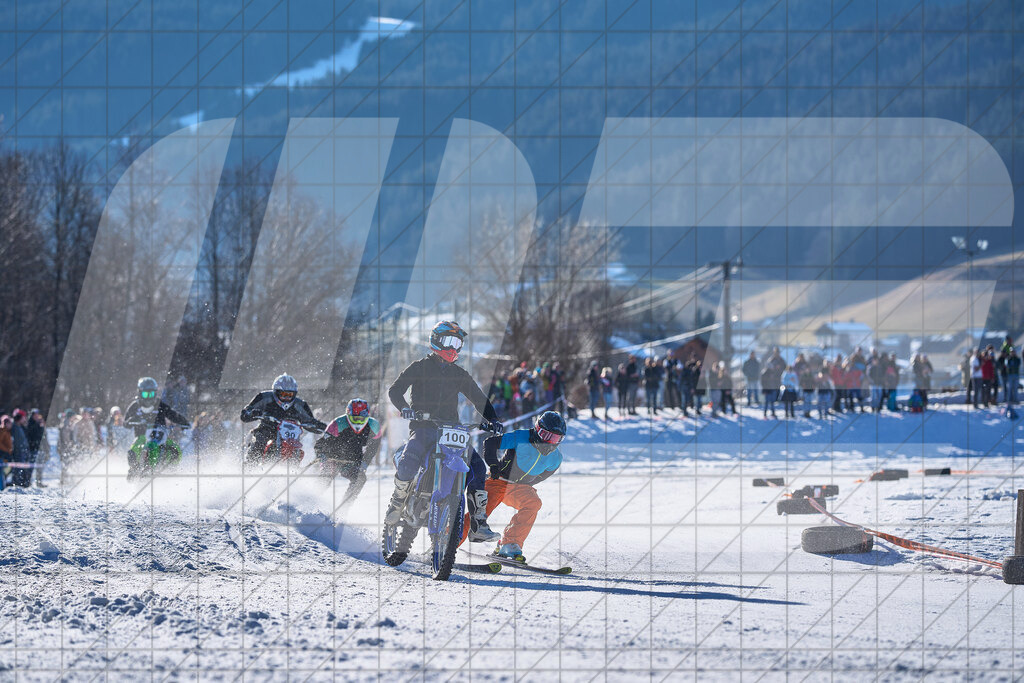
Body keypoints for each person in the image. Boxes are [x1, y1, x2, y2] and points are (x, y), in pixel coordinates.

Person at [385, 320, 504, 543]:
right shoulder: (419, 367)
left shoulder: (458, 374)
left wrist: (493, 419)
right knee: (411, 456)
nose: (454, 348)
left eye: (458, 343)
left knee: (477, 467)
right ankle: (398, 499)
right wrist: (405, 409)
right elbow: (395, 390)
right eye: (449, 341)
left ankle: (479, 523)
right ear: (436, 341)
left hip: (451, 430)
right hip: (424, 426)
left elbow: (479, 398)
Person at [463, 411, 566, 562]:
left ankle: (510, 544)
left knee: (533, 503)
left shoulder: (556, 458)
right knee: (479, 514)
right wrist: (494, 465)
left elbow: (542, 476)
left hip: (520, 487)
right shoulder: (521, 437)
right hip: (498, 481)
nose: (550, 442)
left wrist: (526, 486)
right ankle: (447, 541)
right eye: (546, 436)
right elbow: (490, 443)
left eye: (556, 438)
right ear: (538, 430)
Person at [239, 373, 324, 463]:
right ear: (276, 392)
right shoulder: (264, 397)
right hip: (267, 429)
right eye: (283, 394)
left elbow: (310, 420)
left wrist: (319, 426)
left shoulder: (300, 404)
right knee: (260, 440)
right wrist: (252, 413)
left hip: (289, 434)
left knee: (294, 447)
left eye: (290, 395)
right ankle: (251, 465)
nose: (287, 398)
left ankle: (293, 467)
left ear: (294, 394)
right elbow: (246, 413)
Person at [314, 398, 382, 506]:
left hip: (351, 462)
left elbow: (372, 449)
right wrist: (321, 455)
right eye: (355, 418)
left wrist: (364, 464)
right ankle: (310, 500)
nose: (358, 421)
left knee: (360, 478)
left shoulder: (374, 426)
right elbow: (320, 444)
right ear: (348, 415)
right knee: (326, 476)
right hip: (332, 459)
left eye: (361, 418)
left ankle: (343, 509)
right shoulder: (338, 423)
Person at [24, 409, 46, 487]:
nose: (37, 416)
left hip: (39, 448)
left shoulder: (39, 424)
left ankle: (39, 482)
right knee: (30, 467)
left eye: (37, 415)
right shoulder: (30, 424)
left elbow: (42, 436)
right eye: (35, 415)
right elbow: (31, 435)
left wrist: (41, 426)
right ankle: (27, 482)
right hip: (32, 448)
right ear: (32, 416)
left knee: (39, 467)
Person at [10, 410, 31, 487]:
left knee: (22, 470)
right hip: (18, 452)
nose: (25, 419)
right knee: (17, 469)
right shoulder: (15, 427)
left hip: (22, 452)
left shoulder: (20, 427)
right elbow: (17, 442)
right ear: (19, 418)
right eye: (23, 417)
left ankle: (21, 483)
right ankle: (16, 483)